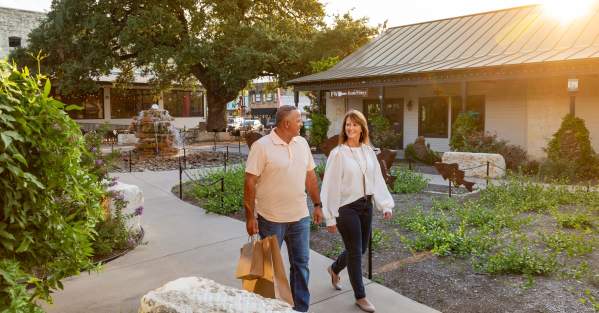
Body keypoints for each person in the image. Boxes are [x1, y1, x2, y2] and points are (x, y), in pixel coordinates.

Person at [244, 105, 324, 312]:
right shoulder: (261, 146)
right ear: (286, 123)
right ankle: (268, 308)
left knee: (301, 266)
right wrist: (250, 217)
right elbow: (250, 183)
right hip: (270, 219)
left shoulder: (302, 143)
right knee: (268, 270)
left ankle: (300, 308)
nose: (302, 123)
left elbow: (310, 177)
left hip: (300, 217)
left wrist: (317, 204)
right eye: (298, 120)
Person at [320, 110, 394, 313]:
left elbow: (377, 180)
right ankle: (360, 296)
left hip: (366, 206)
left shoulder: (369, 151)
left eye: (354, 124)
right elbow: (330, 186)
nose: (350, 128)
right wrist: (330, 217)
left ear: (362, 127)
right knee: (355, 252)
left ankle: (334, 269)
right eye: (347, 125)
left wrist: (385, 204)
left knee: (359, 249)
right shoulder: (338, 154)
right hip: (347, 208)